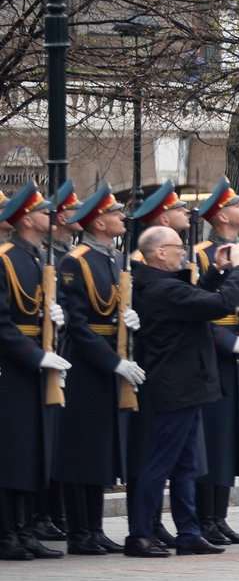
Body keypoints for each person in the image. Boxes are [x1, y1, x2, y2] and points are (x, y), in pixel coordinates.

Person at [124, 226, 239, 558]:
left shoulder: (161, 285)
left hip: (187, 383)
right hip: (176, 385)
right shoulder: (160, 289)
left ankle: (188, 531)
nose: (183, 252)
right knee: (161, 462)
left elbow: (197, 297)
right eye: (177, 247)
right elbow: (221, 304)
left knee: (186, 464)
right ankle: (139, 533)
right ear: (159, 253)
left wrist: (217, 271)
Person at [53, 182, 141, 555]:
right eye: (114, 213)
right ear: (99, 224)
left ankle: (95, 527)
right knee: (82, 450)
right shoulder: (76, 261)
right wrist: (113, 362)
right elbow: (78, 323)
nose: (122, 217)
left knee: (102, 448)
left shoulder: (112, 259)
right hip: (88, 363)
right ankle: (79, 531)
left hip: (110, 356)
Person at [188, 177, 239, 545]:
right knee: (214, 436)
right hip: (213, 354)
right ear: (220, 214)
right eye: (238, 204)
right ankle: (205, 518)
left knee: (232, 437)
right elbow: (195, 313)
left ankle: (219, 517)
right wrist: (230, 341)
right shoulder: (201, 255)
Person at [0, 183, 73, 561]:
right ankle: (7, 531)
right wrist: (35, 356)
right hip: (13, 368)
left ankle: (25, 528)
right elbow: (3, 323)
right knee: (13, 453)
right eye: (45, 212)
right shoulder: (6, 258)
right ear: (27, 218)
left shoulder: (37, 257)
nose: (52, 217)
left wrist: (54, 326)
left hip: (35, 361)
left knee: (32, 450)